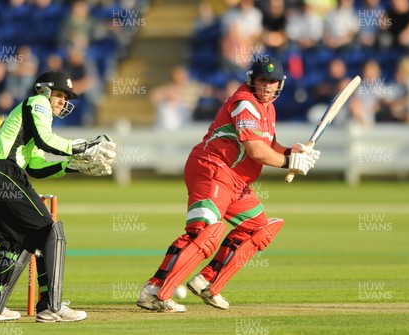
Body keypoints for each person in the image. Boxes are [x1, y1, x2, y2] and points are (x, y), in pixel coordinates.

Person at [136, 56, 320, 312]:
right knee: (204, 232)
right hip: (213, 169)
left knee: (257, 228)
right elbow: (256, 151)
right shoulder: (245, 104)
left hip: (236, 180)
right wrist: (289, 162)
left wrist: (293, 152)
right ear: (252, 81)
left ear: (280, 84)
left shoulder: (268, 107)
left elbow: (269, 145)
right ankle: (155, 291)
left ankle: (207, 281)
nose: (267, 86)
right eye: (262, 81)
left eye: (272, 82)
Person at [0, 70, 116, 322]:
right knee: (50, 232)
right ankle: (52, 306)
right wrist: (81, 146)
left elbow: (36, 165)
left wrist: (71, 165)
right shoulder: (37, 103)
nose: (63, 101)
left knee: (15, 242)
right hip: (3, 172)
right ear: (44, 90)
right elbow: (47, 141)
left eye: (66, 97)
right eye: (59, 95)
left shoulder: (32, 117)